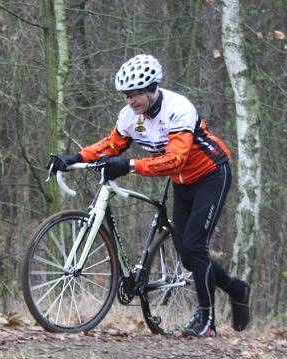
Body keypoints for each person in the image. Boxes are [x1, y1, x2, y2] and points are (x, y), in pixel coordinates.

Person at [50, 54, 250, 338]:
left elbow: (176, 159)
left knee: (194, 248)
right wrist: (73, 158)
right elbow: (111, 145)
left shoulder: (178, 109)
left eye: (136, 95)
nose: (130, 102)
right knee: (187, 257)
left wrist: (130, 165)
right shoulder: (130, 116)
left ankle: (207, 321)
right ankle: (235, 287)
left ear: (152, 89)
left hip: (211, 175)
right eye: (126, 96)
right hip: (181, 182)